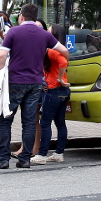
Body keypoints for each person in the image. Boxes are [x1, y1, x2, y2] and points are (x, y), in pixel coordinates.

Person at [0, 3, 68, 169]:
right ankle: (25, 159)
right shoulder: (44, 34)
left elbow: (2, 56)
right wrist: (61, 74)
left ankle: (4, 159)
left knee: (5, 120)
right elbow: (64, 51)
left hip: (14, 82)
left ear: (21, 16)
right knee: (29, 121)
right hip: (35, 83)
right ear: (35, 18)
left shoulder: (13, 31)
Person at [33, 25, 71, 165]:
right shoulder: (54, 50)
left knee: (45, 122)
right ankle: (59, 153)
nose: (45, 33)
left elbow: (63, 61)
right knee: (60, 123)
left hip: (54, 90)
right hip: (63, 91)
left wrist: (59, 78)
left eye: (48, 31)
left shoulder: (51, 51)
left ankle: (42, 155)